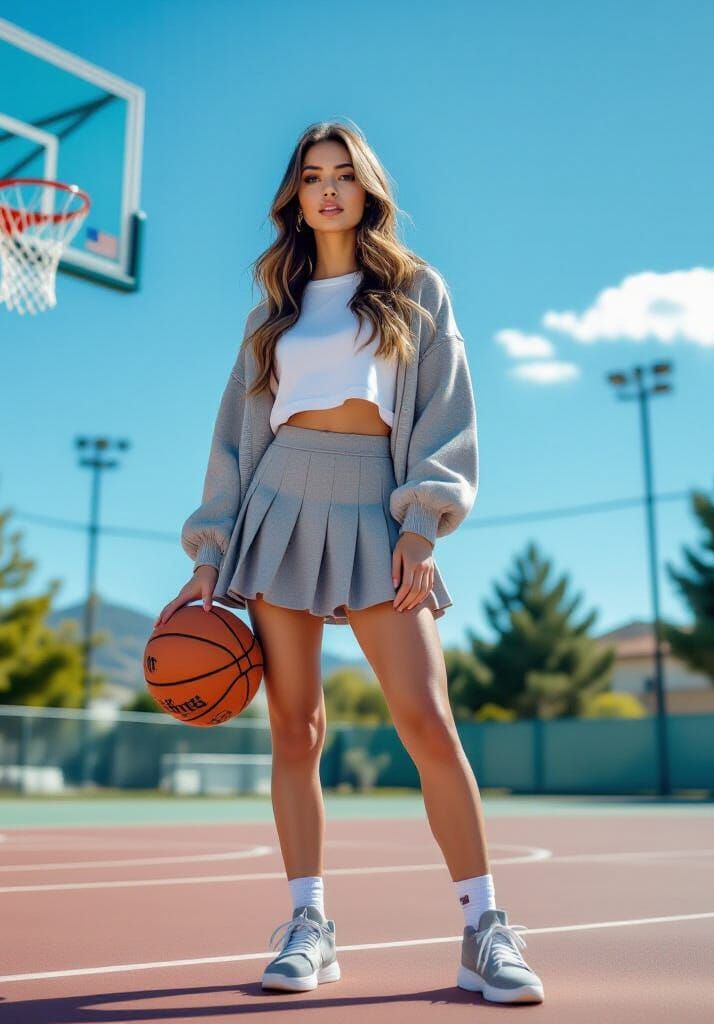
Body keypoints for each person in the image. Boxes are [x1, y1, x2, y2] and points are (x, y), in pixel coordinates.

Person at [155, 120, 544, 1006]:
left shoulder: (415, 291)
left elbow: (445, 409)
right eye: (312, 176)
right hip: (278, 506)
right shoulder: (270, 316)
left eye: (343, 174)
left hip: (377, 506)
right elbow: (233, 441)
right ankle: (309, 925)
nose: (328, 189)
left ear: (368, 189)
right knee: (296, 730)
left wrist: (422, 524)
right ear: (294, 197)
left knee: (428, 723)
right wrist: (210, 552)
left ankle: (485, 929)